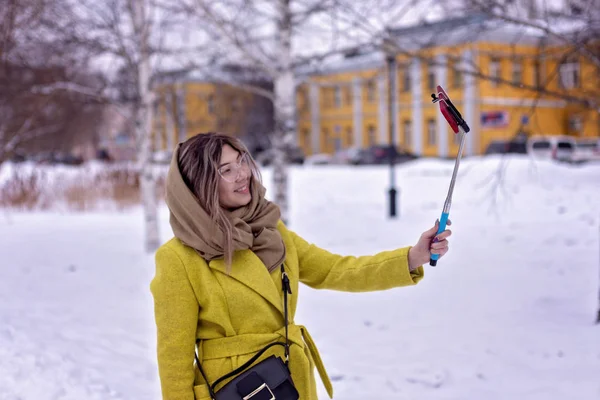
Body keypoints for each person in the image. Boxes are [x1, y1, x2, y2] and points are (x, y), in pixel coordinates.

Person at [150, 132, 452, 400]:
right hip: (234, 389)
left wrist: (412, 258)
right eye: (226, 170)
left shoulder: (271, 232)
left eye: (241, 162)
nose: (242, 174)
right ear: (200, 186)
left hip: (288, 380)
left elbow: (334, 270)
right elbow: (174, 359)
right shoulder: (179, 258)